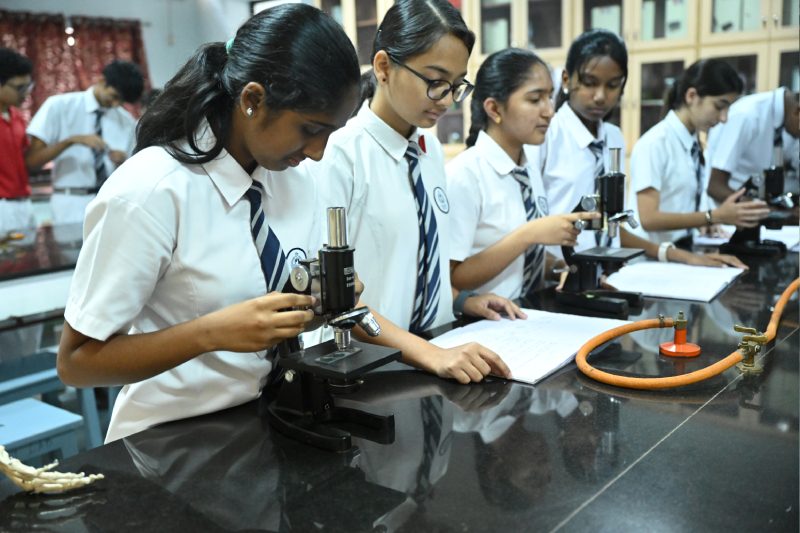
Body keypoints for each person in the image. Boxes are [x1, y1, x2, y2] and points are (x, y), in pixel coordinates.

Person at [56, 4, 362, 442]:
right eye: (310, 129)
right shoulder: (150, 190)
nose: (317, 152)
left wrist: (317, 304)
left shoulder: (294, 179)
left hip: (268, 420)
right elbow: (76, 362)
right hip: (173, 442)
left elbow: (270, 318)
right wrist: (210, 333)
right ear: (253, 100)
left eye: (331, 133)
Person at [310, 0, 523, 385]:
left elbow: (414, 259)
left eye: (457, 85)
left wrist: (459, 300)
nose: (446, 99)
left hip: (438, 353)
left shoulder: (430, 149)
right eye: (435, 80)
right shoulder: (339, 154)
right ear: (384, 67)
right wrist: (429, 353)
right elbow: (331, 297)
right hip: (372, 370)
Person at [531, 29, 745, 268]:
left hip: (607, 272)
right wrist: (563, 270)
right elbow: (529, 230)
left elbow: (608, 228)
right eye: (590, 83)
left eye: (613, 85)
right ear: (566, 80)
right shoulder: (545, 136)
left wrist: (680, 255)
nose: (601, 96)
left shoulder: (613, 138)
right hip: (560, 275)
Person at [446, 48, 600, 300]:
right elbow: (451, 279)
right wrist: (528, 234)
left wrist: (562, 269)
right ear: (494, 109)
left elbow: (525, 259)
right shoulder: (464, 175)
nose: (549, 111)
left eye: (550, 97)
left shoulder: (526, 170)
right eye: (535, 100)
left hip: (526, 313)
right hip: (480, 324)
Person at [628, 58, 769, 247]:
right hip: (649, 259)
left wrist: (707, 223)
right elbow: (649, 219)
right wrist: (711, 217)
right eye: (719, 107)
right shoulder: (655, 144)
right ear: (692, 96)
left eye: (728, 109)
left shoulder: (695, 144)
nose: (724, 118)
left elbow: (682, 203)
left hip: (682, 250)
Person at [25, 59, 144, 225]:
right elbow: (32, 162)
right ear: (102, 81)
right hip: (69, 201)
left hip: (109, 202)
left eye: (122, 101)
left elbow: (133, 176)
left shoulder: (126, 121)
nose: (116, 104)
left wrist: (122, 163)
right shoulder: (59, 106)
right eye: (114, 96)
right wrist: (72, 140)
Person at [707, 87, 800, 204]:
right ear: (797, 111)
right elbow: (715, 187)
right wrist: (762, 211)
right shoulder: (747, 115)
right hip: (724, 212)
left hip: (757, 206)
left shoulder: (788, 123)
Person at [0, 47, 36, 237]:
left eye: (28, 87)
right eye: (20, 88)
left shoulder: (16, 116)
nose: (25, 94)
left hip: (23, 202)